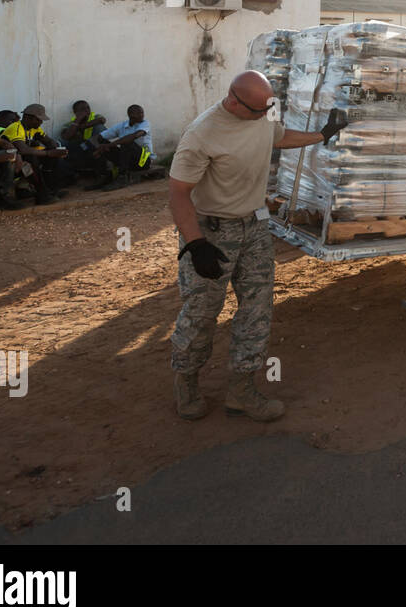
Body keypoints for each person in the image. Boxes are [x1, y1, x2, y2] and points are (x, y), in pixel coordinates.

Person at [167, 71, 348, 422]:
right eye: (257, 111)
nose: (264, 116)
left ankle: (242, 390)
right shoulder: (202, 135)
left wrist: (322, 134)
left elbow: (278, 137)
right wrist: (196, 243)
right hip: (212, 234)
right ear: (233, 100)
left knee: (257, 310)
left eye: (268, 109)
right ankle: (187, 381)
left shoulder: (261, 116)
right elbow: (177, 193)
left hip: (255, 227)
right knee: (202, 312)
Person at [4, 104, 70, 204]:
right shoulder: (16, 128)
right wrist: (48, 153)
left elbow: (50, 142)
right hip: (8, 162)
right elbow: (23, 150)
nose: (41, 122)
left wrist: (52, 146)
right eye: (38, 119)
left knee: (53, 157)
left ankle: (51, 191)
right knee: (32, 158)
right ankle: (42, 195)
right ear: (28, 117)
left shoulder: (34, 128)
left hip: (21, 160)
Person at [87, 105, 153, 191]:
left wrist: (109, 145)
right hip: (126, 161)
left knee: (127, 143)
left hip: (143, 161)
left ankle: (122, 178)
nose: (142, 115)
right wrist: (99, 148)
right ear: (130, 115)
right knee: (96, 143)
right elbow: (99, 137)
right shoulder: (122, 126)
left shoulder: (145, 124)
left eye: (142, 112)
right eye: (139, 113)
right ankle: (105, 176)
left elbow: (133, 136)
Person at [61, 100, 106, 177]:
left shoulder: (96, 117)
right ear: (75, 112)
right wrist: (78, 120)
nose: (86, 110)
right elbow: (66, 136)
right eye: (82, 109)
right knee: (65, 141)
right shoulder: (70, 124)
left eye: (88, 107)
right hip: (81, 149)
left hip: (96, 147)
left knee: (100, 127)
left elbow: (102, 120)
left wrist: (81, 127)